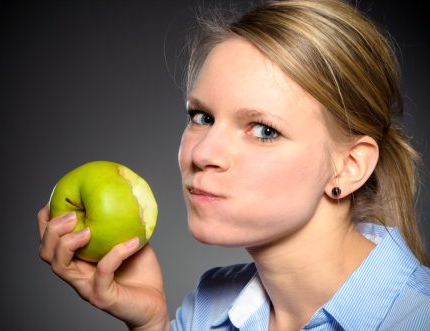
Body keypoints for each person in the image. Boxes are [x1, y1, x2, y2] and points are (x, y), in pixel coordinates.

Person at [37, 0, 430, 330]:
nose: (203, 153)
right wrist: (151, 324)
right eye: (202, 117)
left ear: (348, 166)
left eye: (263, 130)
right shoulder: (206, 310)